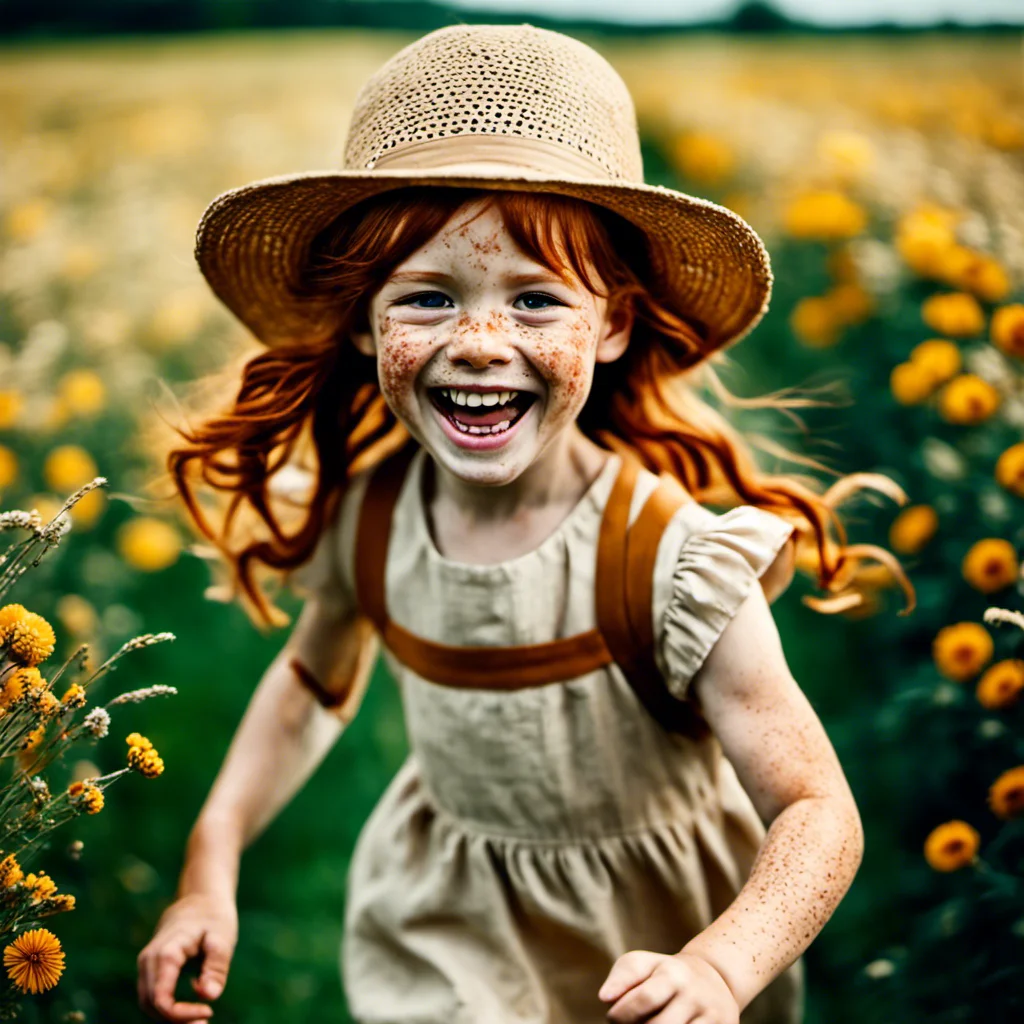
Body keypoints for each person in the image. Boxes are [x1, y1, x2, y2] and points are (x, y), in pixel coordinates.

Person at [136, 23, 915, 1024]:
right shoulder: (373, 521)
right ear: (364, 321)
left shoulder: (666, 560)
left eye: (537, 301)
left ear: (616, 323)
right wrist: (211, 862)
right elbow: (305, 688)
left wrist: (722, 965)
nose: (478, 343)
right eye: (426, 297)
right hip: (448, 934)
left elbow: (816, 810)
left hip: (659, 950)